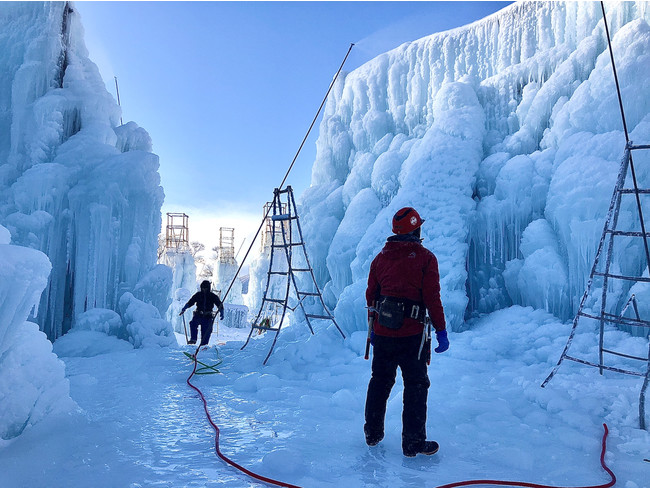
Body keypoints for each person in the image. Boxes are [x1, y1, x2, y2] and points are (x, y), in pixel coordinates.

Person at [364, 206, 449, 457]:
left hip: (383, 333)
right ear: (416, 229)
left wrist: (374, 329)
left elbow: (371, 296)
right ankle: (412, 443)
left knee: (379, 382)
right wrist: (441, 330)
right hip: (412, 336)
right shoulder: (425, 258)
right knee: (415, 385)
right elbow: (432, 298)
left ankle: (372, 433)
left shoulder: (379, 259)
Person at [179, 280, 225, 346]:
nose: (204, 289)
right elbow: (191, 302)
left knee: (206, 332)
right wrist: (185, 308)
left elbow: (219, 304)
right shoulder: (198, 295)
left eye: (206, 288)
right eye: (203, 288)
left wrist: (221, 311)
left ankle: (203, 346)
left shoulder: (212, 296)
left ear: (208, 288)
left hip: (208, 316)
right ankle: (193, 339)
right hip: (198, 314)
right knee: (193, 324)